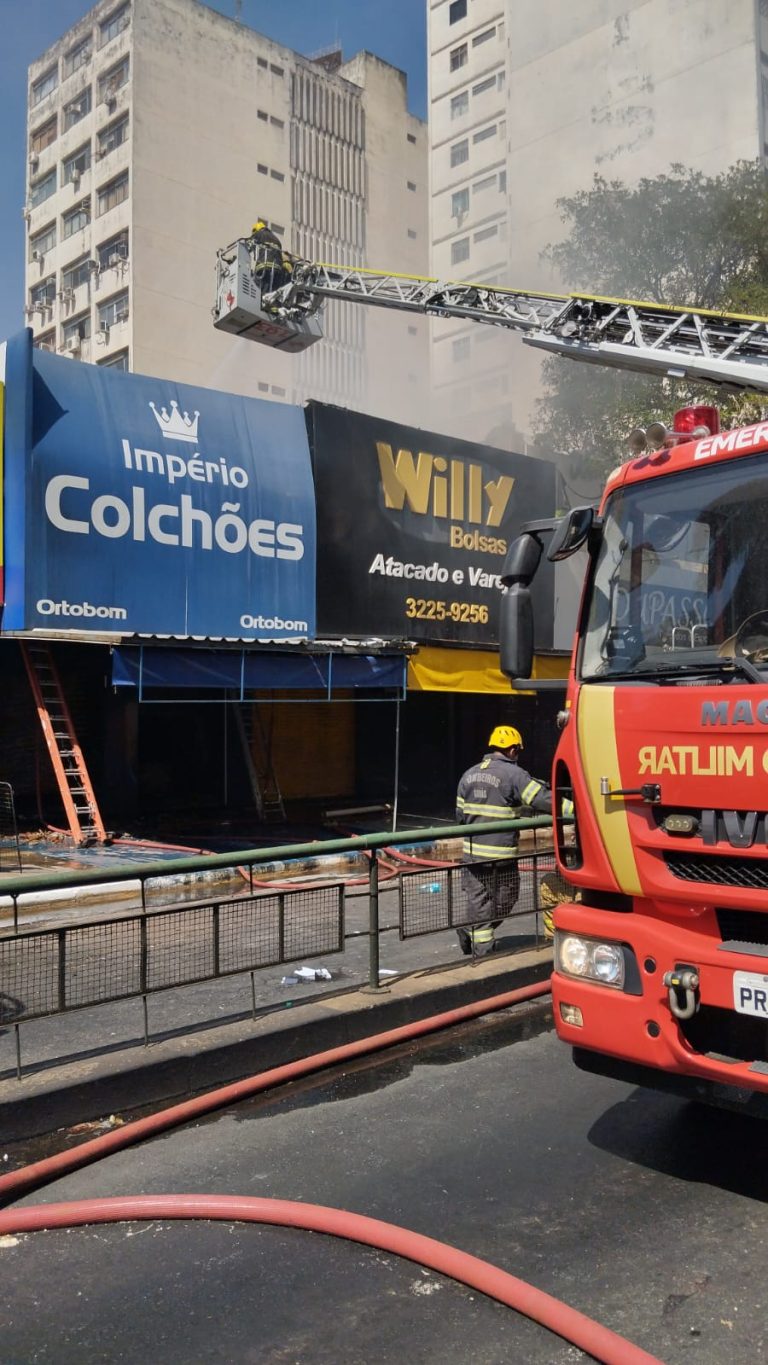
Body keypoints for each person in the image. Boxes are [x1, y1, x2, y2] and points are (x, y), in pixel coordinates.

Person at [455, 725, 573, 957]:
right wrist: (579, 808)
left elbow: (460, 815)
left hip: (472, 856)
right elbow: (542, 799)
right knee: (506, 898)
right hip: (502, 856)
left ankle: (470, 931)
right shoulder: (514, 774)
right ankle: (484, 951)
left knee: (479, 903)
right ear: (512, 750)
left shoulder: (468, 775)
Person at [248, 218, 293, 295]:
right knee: (271, 293)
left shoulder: (259, 234)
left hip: (264, 265)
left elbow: (248, 244)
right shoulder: (277, 240)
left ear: (256, 230)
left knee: (259, 290)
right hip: (277, 269)